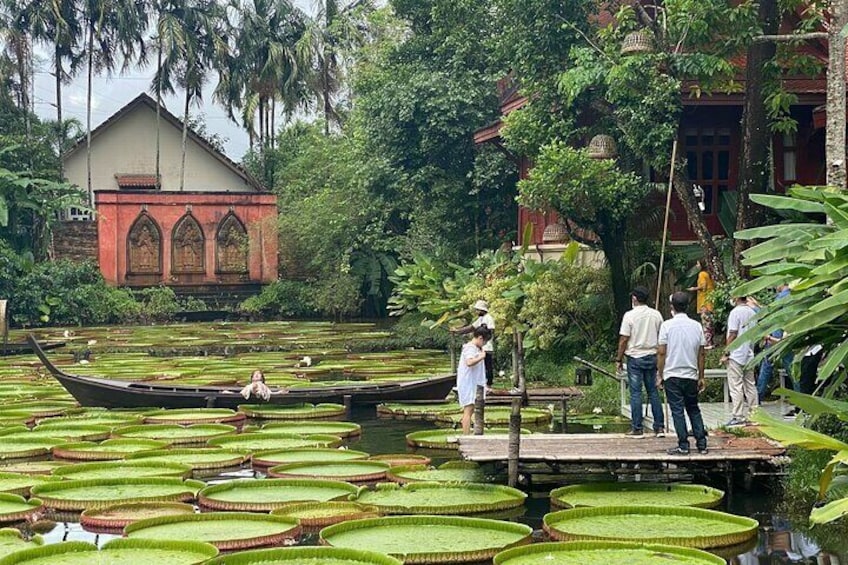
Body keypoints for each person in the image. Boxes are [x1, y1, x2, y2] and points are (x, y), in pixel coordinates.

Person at [656, 292, 708, 455]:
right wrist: (701, 376)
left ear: (672, 307)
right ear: (687, 306)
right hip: (691, 374)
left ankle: (683, 445)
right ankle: (702, 444)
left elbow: (662, 352)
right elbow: (701, 353)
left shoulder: (666, 326)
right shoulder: (697, 326)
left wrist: (660, 374)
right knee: (693, 408)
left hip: (672, 374)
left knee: (677, 410)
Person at [616, 286, 665, 438]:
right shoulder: (656, 315)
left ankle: (637, 428)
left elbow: (624, 339)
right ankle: (659, 428)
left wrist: (619, 358)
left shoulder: (629, 315)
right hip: (652, 356)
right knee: (653, 392)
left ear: (635, 298)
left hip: (635, 358)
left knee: (636, 393)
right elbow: (662, 337)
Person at [721, 295, 759, 426]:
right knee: (750, 385)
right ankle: (755, 414)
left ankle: (738, 416)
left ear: (737, 297)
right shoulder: (752, 312)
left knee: (736, 386)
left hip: (736, 354)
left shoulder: (735, 312)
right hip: (749, 353)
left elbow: (732, 333)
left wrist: (726, 351)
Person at [756, 283, 794, 402]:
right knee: (791, 369)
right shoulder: (792, 296)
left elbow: (773, 315)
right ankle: (799, 399)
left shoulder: (782, 297)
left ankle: (758, 397)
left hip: (776, 336)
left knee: (768, 366)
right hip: (785, 336)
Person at [452, 300, 496, 389]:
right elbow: (471, 328)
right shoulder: (480, 319)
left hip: (486, 347)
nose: (476, 312)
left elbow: (491, 332)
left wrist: (484, 343)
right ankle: (480, 384)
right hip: (479, 347)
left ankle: (488, 385)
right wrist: (458, 331)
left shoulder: (488, 318)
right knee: (480, 367)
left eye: (477, 310)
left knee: (488, 366)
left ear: (482, 310)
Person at [456, 327, 490, 434]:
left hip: (474, 384)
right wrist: (481, 356)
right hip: (468, 384)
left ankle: (470, 434)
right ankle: (466, 436)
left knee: (472, 410)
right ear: (480, 338)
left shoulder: (476, 348)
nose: (484, 344)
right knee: (468, 411)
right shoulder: (470, 348)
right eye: (484, 341)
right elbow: (469, 362)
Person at [687, 258, 715, 348]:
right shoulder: (708, 274)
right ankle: (711, 342)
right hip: (710, 301)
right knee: (710, 323)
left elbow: (703, 286)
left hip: (704, 302)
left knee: (706, 323)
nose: (697, 266)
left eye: (698, 264)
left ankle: (708, 343)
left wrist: (693, 289)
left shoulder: (702, 274)